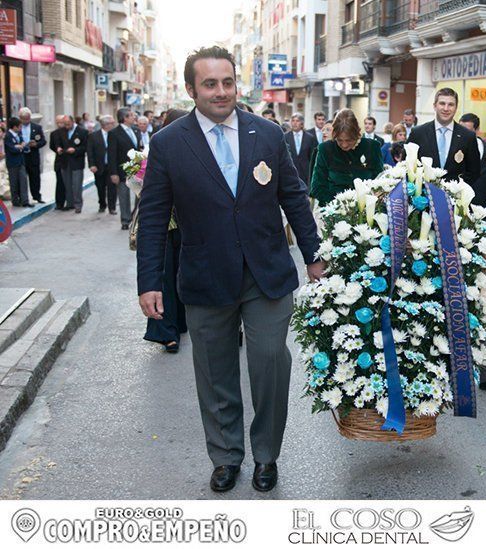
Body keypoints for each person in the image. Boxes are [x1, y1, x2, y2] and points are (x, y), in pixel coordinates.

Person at [137, 46, 323, 494]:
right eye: (210, 84)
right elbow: (154, 217)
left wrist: (314, 255)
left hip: (267, 274)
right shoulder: (167, 143)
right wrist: (148, 283)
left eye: (227, 82)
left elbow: (293, 196)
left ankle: (266, 455)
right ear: (190, 90)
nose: (221, 92)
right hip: (204, 276)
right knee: (215, 371)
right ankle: (225, 456)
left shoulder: (268, 133)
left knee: (269, 363)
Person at [457, 112, 486, 391]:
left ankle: (483, 368)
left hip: (478, 236)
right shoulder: (446, 154)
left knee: (479, 298)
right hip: (446, 234)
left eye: (468, 133)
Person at [143, 108, 190, 354]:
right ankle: (165, 332)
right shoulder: (161, 148)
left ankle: (181, 323)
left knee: (184, 278)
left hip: (188, 227)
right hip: (166, 228)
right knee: (164, 280)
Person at [407, 88, 481, 187]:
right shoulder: (418, 133)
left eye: (451, 104)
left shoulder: (468, 136)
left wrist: (457, 191)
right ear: (435, 106)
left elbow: (474, 171)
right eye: (442, 103)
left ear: (456, 107)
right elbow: (407, 165)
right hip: (422, 198)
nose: (446, 108)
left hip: (455, 199)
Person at [310, 109, 384, 206]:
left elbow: (379, 181)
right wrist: (338, 205)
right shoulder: (325, 149)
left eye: (349, 140)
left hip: (366, 209)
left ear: (357, 134)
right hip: (333, 210)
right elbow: (317, 186)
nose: (344, 145)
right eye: (339, 140)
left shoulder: (372, 147)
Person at [108, 107, 142, 229]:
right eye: (132, 115)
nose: (134, 117)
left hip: (137, 170)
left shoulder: (136, 130)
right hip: (122, 170)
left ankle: (135, 216)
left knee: (139, 195)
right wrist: (113, 173)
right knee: (124, 196)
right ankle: (125, 220)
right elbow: (111, 154)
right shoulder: (114, 133)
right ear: (125, 118)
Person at [87, 115, 116, 214]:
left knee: (112, 187)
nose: (114, 125)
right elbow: (90, 152)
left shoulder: (115, 135)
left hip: (112, 166)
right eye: (112, 123)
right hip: (99, 166)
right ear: (106, 125)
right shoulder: (93, 136)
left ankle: (112, 207)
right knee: (100, 186)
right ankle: (102, 204)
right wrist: (92, 165)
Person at [18, 107, 46, 204]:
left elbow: (43, 141)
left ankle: (37, 196)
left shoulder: (37, 127)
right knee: (22, 179)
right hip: (21, 156)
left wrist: (36, 144)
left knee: (35, 177)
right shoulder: (17, 128)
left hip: (33, 156)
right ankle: (22, 198)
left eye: (27, 118)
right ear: (20, 118)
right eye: (23, 119)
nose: (26, 121)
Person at [61, 115, 88, 213]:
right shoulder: (62, 131)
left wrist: (75, 150)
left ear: (72, 122)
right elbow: (58, 144)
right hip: (65, 162)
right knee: (67, 184)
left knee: (77, 185)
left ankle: (78, 204)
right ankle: (70, 203)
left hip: (77, 162)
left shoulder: (82, 132)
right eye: (65, 124)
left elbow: (85, 147)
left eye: (68, 124)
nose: (66, 126)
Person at [4, 117, 32, 207]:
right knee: (14, 183)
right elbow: (12, 149)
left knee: (23, 181)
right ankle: (15, 201)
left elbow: (24, 146)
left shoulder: (19, 135)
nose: (20, 128)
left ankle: (25, 201)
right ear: (14, 127)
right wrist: (20, 147)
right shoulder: (8, 136)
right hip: (12, 163)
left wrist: (20, 147)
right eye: (19, 127)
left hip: (21, 162)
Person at [283, 112, 317, 187]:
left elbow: (313, 156)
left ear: (302, 123)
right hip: (291, 171)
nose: (295, 123)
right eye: (293, 121)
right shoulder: (286, 137)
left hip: (306, 172)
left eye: (297, 121)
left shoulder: (310, 138)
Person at [49, 115, 69, 210]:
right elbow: (52, 146)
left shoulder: (69, 132)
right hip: (59, 161)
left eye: (62, 122)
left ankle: (69, 202)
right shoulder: (54, 134)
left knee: (68, 183)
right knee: (60, 182)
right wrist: (58, 150)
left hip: (69, 161)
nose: (60, 124)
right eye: (58, 122)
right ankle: (59, 203)